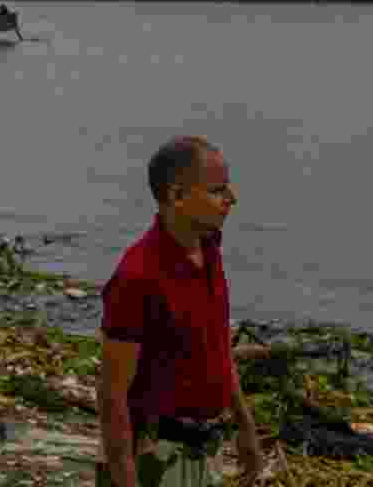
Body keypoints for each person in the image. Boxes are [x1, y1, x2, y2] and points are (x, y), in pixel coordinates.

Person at [97, 136, 263, 487]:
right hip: (157, 457)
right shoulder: (137, 276)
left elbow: (218, 348)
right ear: (176, 196)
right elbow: (113, 394)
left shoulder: (209, 250)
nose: (231, 199)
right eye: (218, 190)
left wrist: (245, 428)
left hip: (206, 450)